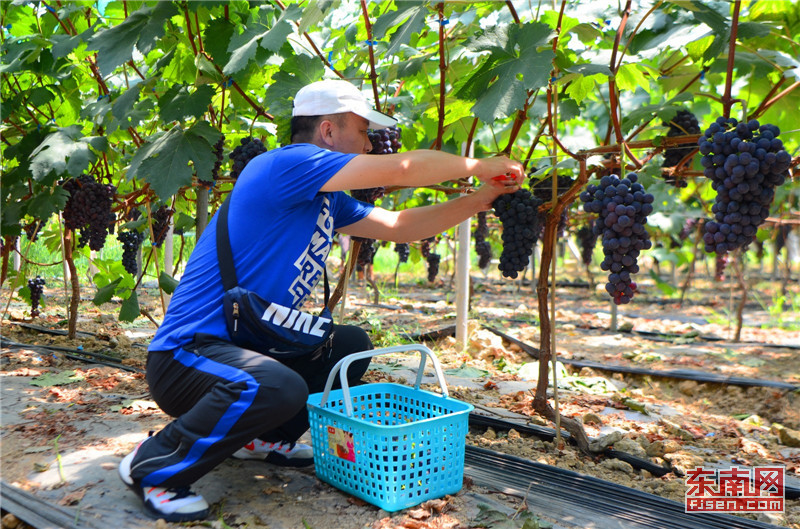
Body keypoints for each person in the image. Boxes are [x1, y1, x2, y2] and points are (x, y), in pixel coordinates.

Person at [118, 79, 524, 522]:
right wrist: (476, 164)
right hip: (186, 358)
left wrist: (482, 197)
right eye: (363, 131)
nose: (370, 144)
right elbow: (403, 169)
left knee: (347, 345)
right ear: (328, 132)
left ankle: (261, 439)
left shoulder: (326, 198)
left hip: (242, 350)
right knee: (277, 386)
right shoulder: (286, 165)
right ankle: (155, 465)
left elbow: (400, 225)